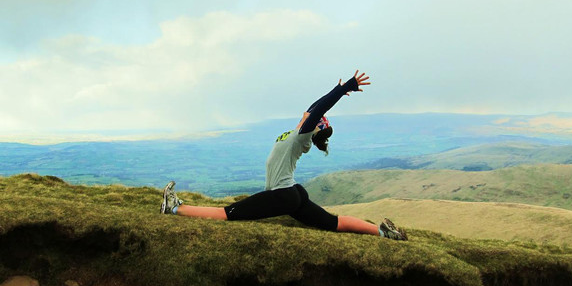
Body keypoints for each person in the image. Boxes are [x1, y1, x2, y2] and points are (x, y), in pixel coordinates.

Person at [160, 70, 408, 241]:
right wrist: (337, 88)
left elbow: (318, 109)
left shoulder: (302, 135)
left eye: (315, 119)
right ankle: (383, 232)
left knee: (227, 213)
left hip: (283, 195)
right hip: (292, 193)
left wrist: (344, 89)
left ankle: (174, 209)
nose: (310, 114)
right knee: (334, 223)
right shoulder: (299, 132)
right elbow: (313, 107)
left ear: (313, 126)